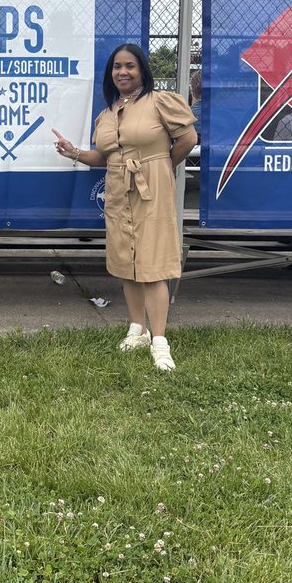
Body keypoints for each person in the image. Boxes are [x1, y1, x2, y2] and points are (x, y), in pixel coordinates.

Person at [53, 43, 197, 372]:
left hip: (152, 190)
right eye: (117, 67)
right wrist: (73, 151)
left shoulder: (160, 102)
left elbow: (187, 139)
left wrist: (162, 166)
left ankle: (159, 340)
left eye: (129, 66)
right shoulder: (106, 114)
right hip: (118, 189)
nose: (123, 72)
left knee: (153, 262)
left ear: (141, 70)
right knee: (125, 260)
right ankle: (137, 329)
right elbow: (102, 157)